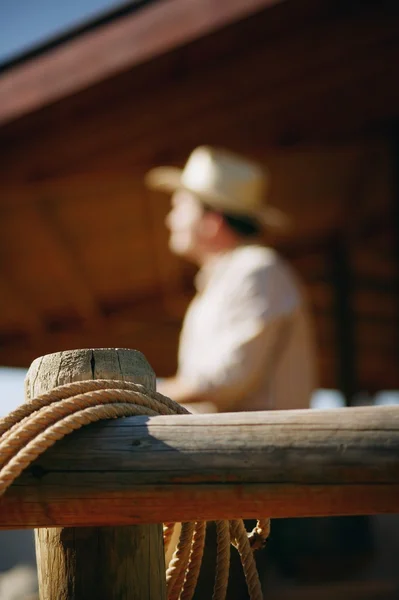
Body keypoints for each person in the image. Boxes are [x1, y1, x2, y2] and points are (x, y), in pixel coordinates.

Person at [146, 146, 317, 415]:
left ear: (212, 221)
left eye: (179, 207)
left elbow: (226, 379)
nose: (170, 220)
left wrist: (141, 394)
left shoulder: (257, 270)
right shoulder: (228, 279)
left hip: (260, 452)